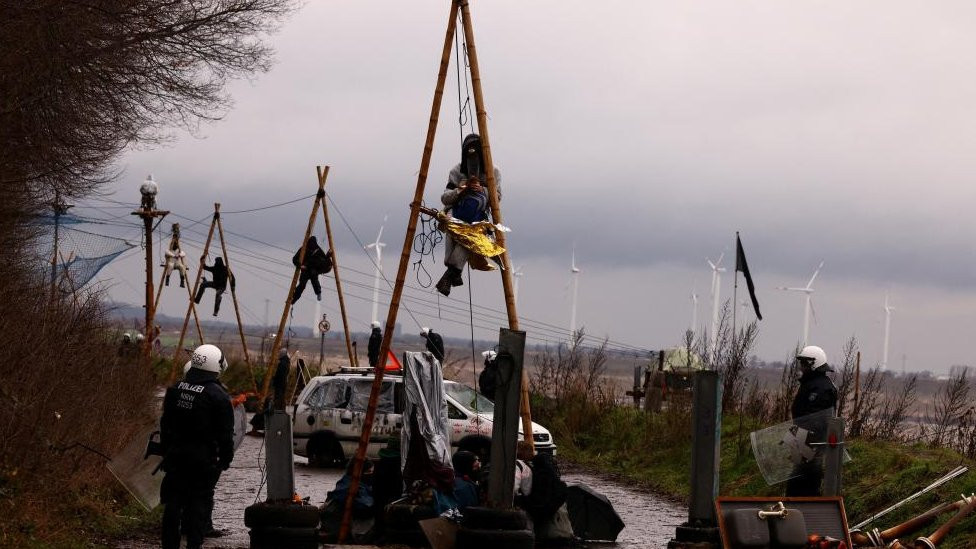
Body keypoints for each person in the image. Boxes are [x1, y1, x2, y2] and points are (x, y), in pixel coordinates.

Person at [159, 344, 234, 549]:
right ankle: (194, 545)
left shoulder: (175, 389)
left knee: (173, 506)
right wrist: (225, 460)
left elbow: (165, 425)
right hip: (203, 461)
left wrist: (167, 452)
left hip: (175, 458)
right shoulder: (218, 396)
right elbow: (226, 434)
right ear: (215, 364)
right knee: (198, 507)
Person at [436, 133, 502, 296]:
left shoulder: (493, 172)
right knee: (452, 246)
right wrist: (462, 190)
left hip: (477, 218)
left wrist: (484, 191)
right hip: (455, 214)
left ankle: (452, 274)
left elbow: (497, 198)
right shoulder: (457, 171)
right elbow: (445, 198)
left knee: (471, 235)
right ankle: (454, 273)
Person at [786, 345, 838, 497]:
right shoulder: (810, 384)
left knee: (804, 484)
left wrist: (802, 438)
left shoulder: (822, 388)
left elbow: (816, 419)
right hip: (801, 440)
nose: (802, 367)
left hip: (811, 444)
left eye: (805, 363)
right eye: (801, 363)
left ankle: (805, 513)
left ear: (814, 363)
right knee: (795, 483)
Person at [292, 236, 333, 304]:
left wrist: (328, 255)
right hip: (306, 270)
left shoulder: (317, 250)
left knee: (313, 282)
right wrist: (300, 266)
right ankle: (293, 299)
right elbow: (294, 259)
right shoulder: (304, 249)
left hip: (313, 270)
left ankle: (318, 293)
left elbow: (324, 260)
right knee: (302, 285)